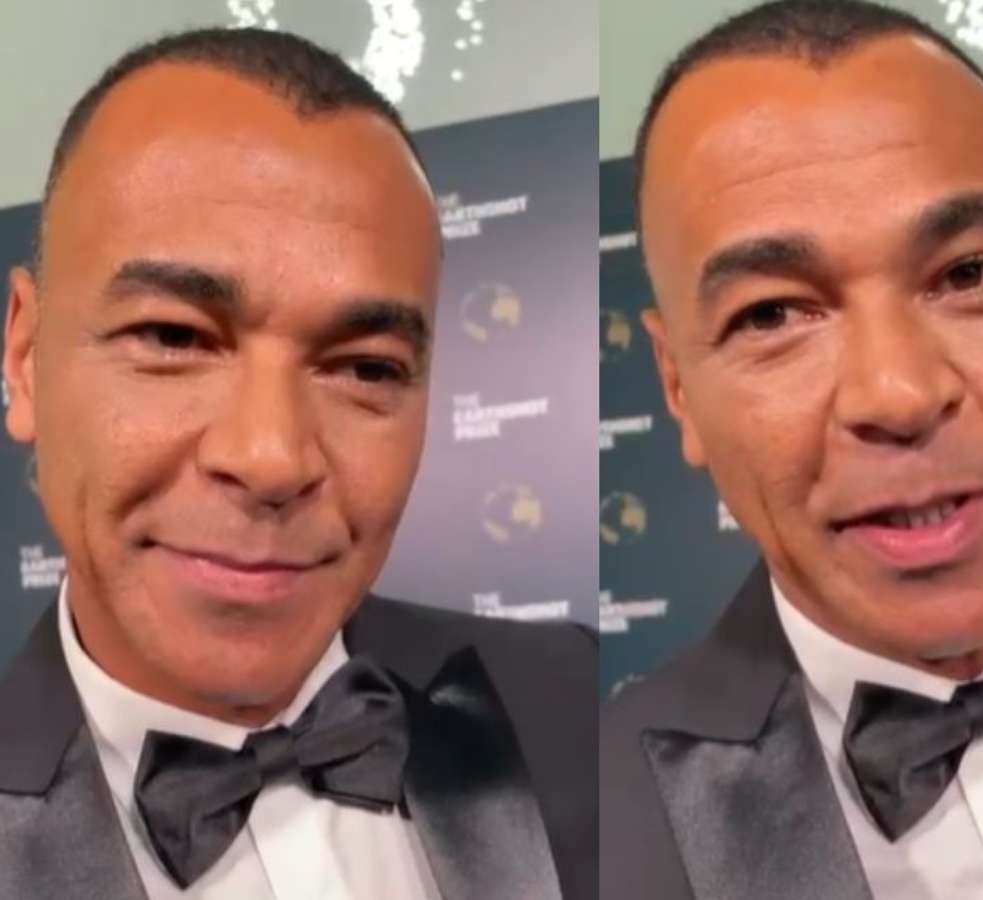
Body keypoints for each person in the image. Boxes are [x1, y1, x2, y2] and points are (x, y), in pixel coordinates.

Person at [600, 2, 983, 898]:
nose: (901, 394)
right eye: (772, 314)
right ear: (677, 386)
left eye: (967, 273)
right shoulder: (587, 824)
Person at [0, 27, 594, 900]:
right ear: (23, 359)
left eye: (366, 368)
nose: (271, 458)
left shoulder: (575, 702)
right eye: (173, 337)